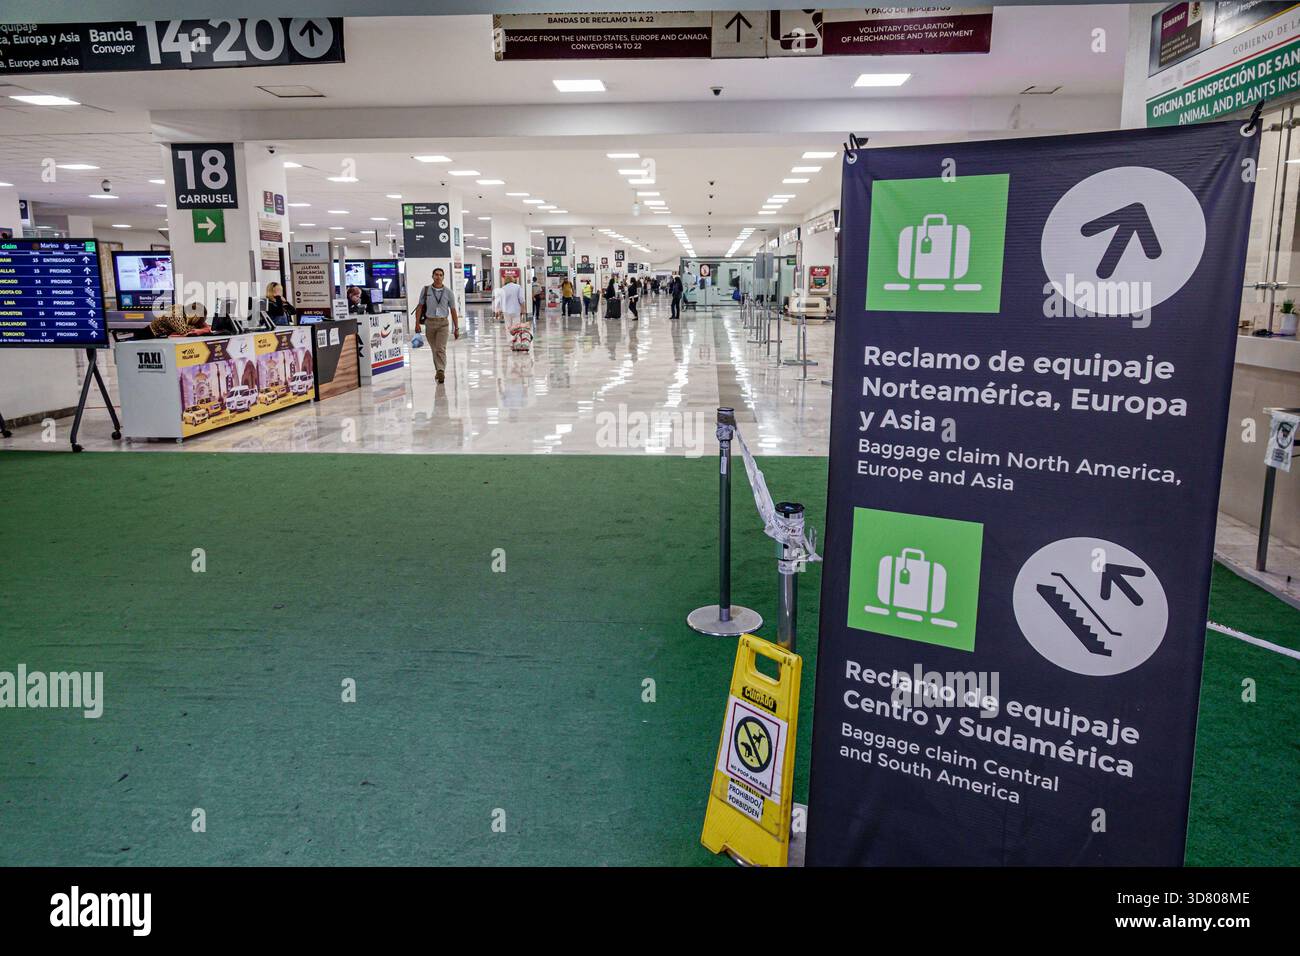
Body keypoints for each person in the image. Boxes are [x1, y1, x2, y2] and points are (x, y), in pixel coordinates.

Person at [413, 268, 460, 384]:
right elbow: (420, 307)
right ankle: (438, 369)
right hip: (430, 323)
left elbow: (453, 310)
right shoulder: (426, 290)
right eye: (436, 275)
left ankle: (441, 370)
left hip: (443, 324)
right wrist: (417, 323)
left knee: (440, 348)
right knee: (434, 349)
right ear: (432, 276)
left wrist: (456, 328)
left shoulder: (448, 292)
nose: (438, 277)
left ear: (443, 277)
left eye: (440, 275)